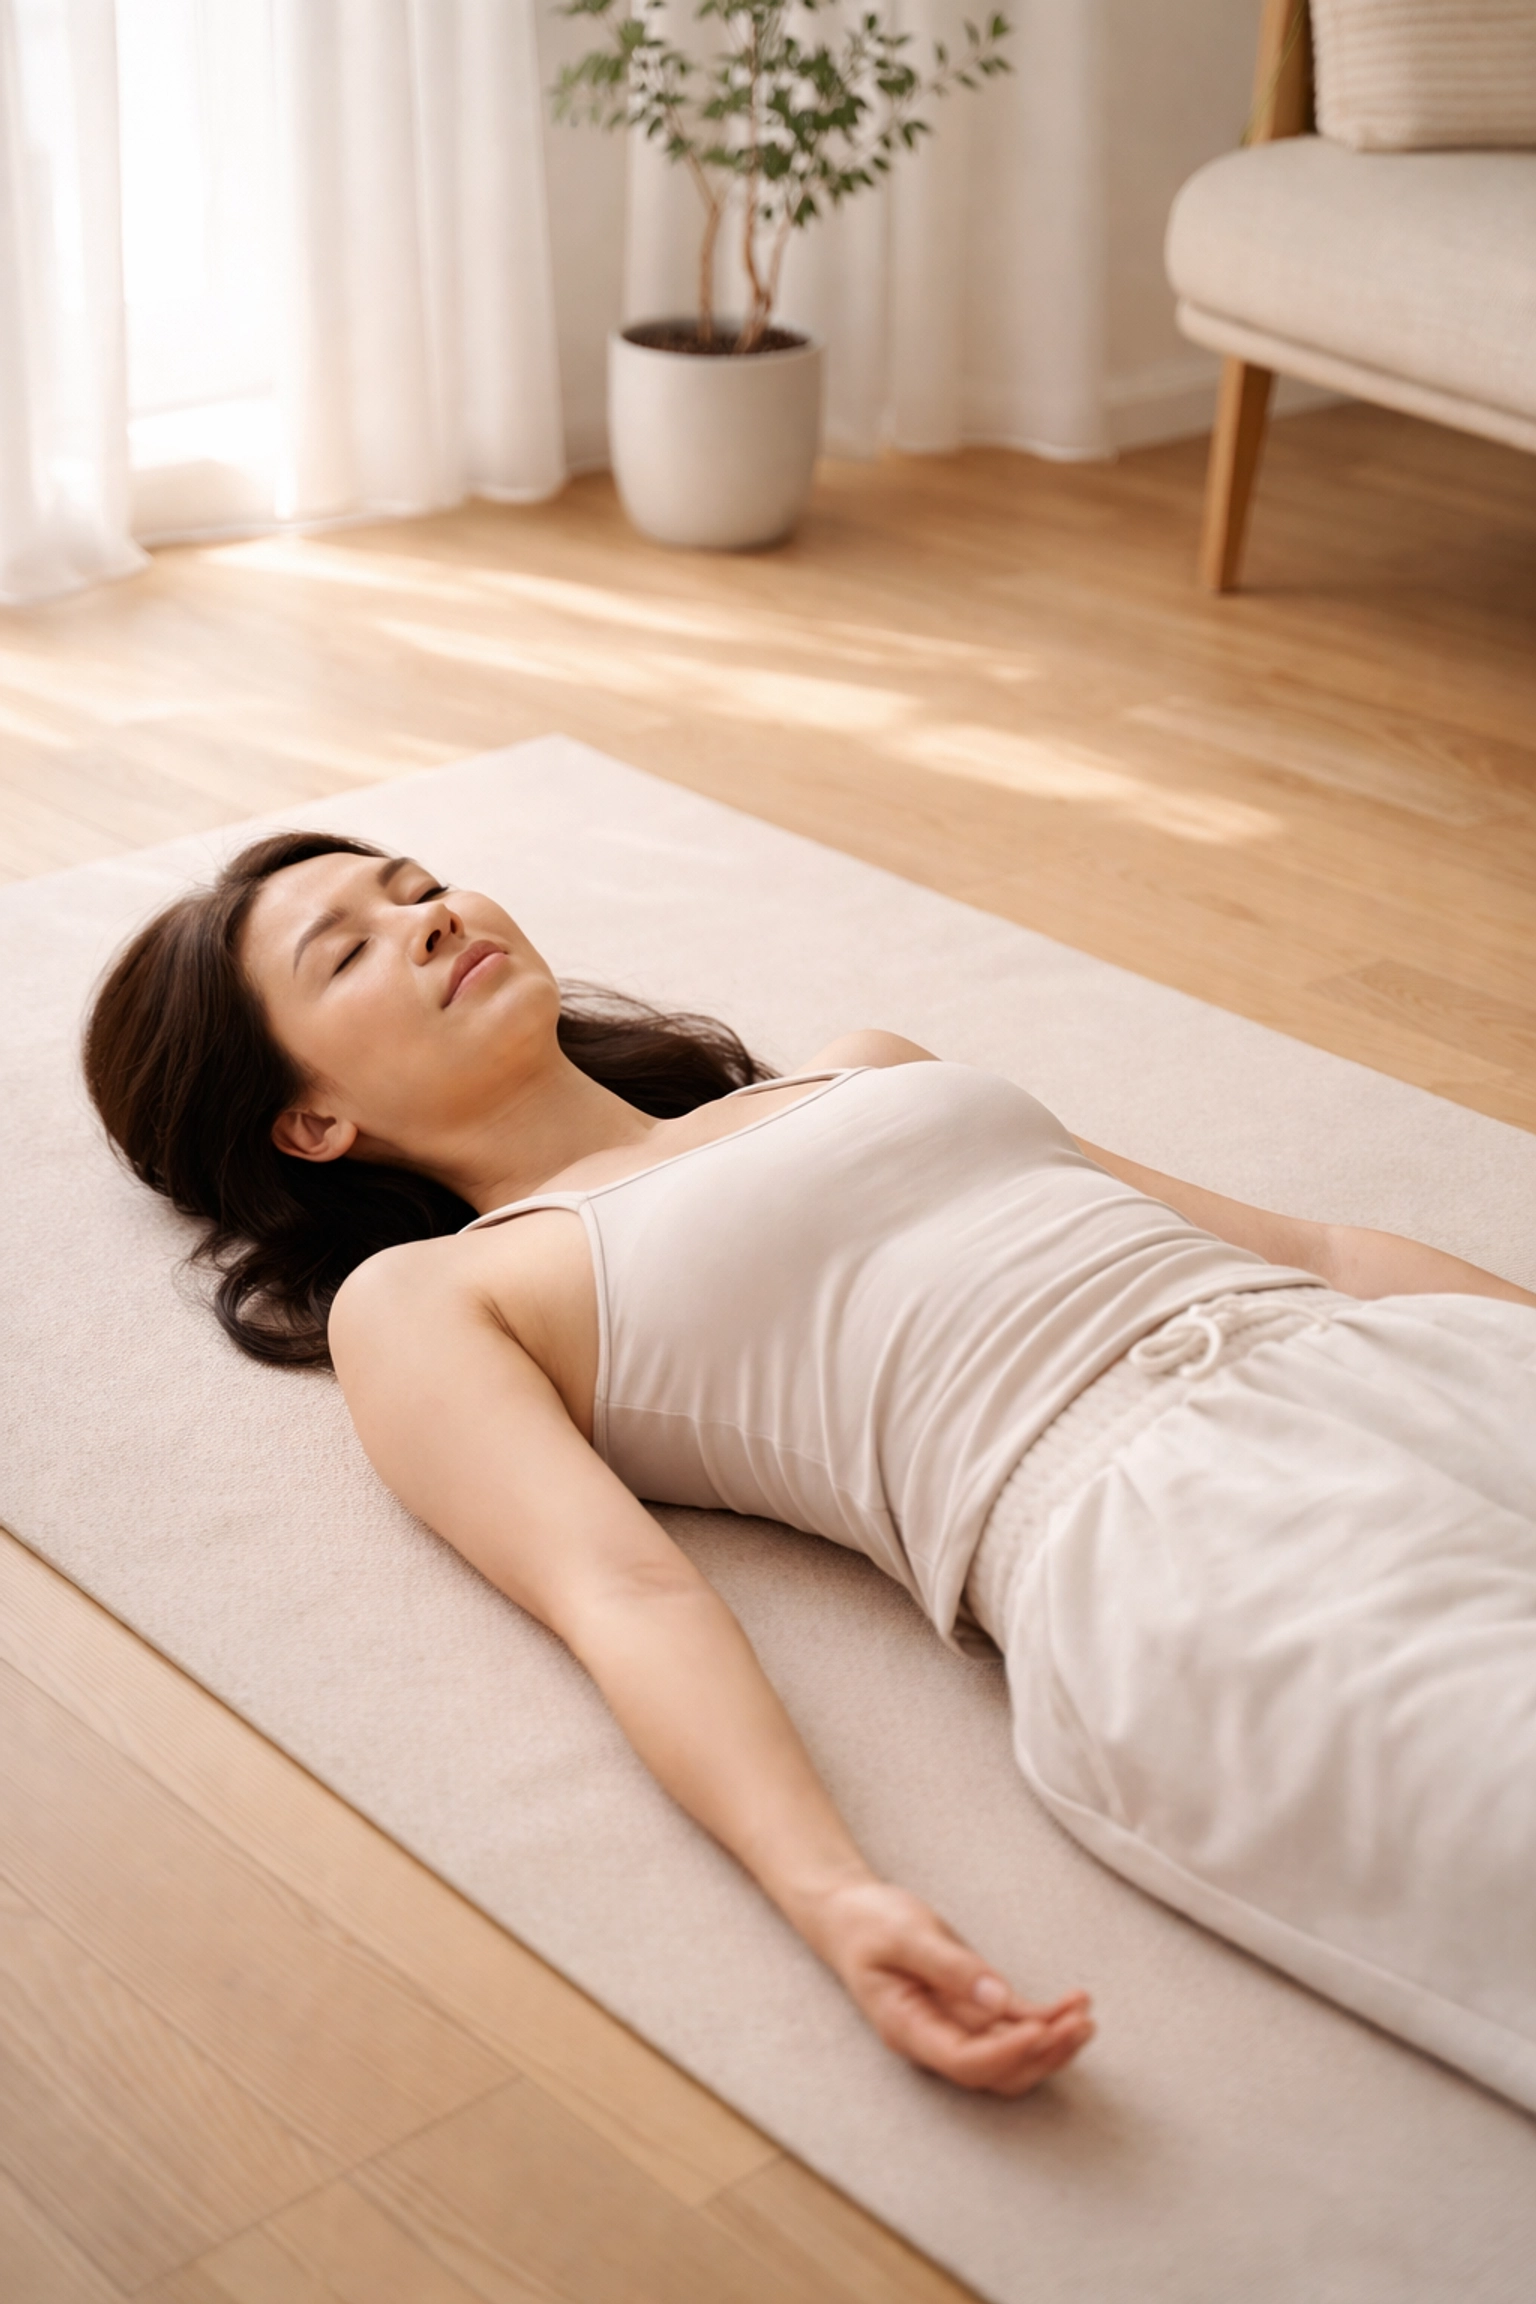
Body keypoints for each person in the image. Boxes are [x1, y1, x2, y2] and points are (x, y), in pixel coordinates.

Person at [85, 831, 1536, 2109]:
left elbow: (1313, 1249)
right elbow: (624, 1592)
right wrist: (833, 1894)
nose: (433, 918)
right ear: (314, 1122)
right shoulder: (429, 1297)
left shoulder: (870, 1069)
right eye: (352, 949)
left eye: (420, 886)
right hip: (1168, 1532)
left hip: (1377, 1362)